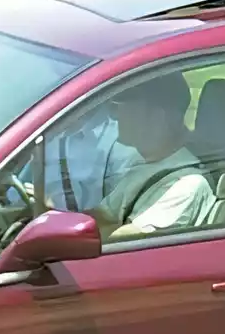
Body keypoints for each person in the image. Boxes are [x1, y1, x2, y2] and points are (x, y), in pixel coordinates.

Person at [91, 71, 214, 240]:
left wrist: (111, 226)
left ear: (158, 117)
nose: (115, 115)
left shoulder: (187, 184)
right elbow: (98, 216)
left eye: (124, 106)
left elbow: (122, 240)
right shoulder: (142, 164)